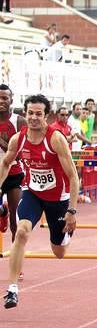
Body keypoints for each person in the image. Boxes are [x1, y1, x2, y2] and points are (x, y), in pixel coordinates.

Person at [0, 94, 80, 309]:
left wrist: (72, 210)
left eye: (38, 114)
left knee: (59, 252)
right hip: (33, 193)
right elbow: (6, 163)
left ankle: (66, 233)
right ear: (24, 114)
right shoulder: (19, 139)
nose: (34, 118)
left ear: (46, 116)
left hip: (59, 199)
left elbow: (73, 176)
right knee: (22, 231)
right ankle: (12, 289)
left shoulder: (55, 139)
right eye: (30, 113)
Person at [0, 84, 26, 241]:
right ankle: (2, 212)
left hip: (13, 173)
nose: (1, 101)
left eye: (5, 98)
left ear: (11, 100)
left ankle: (16, 255)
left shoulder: (19, 121)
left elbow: (18, 154)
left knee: (16, 218)